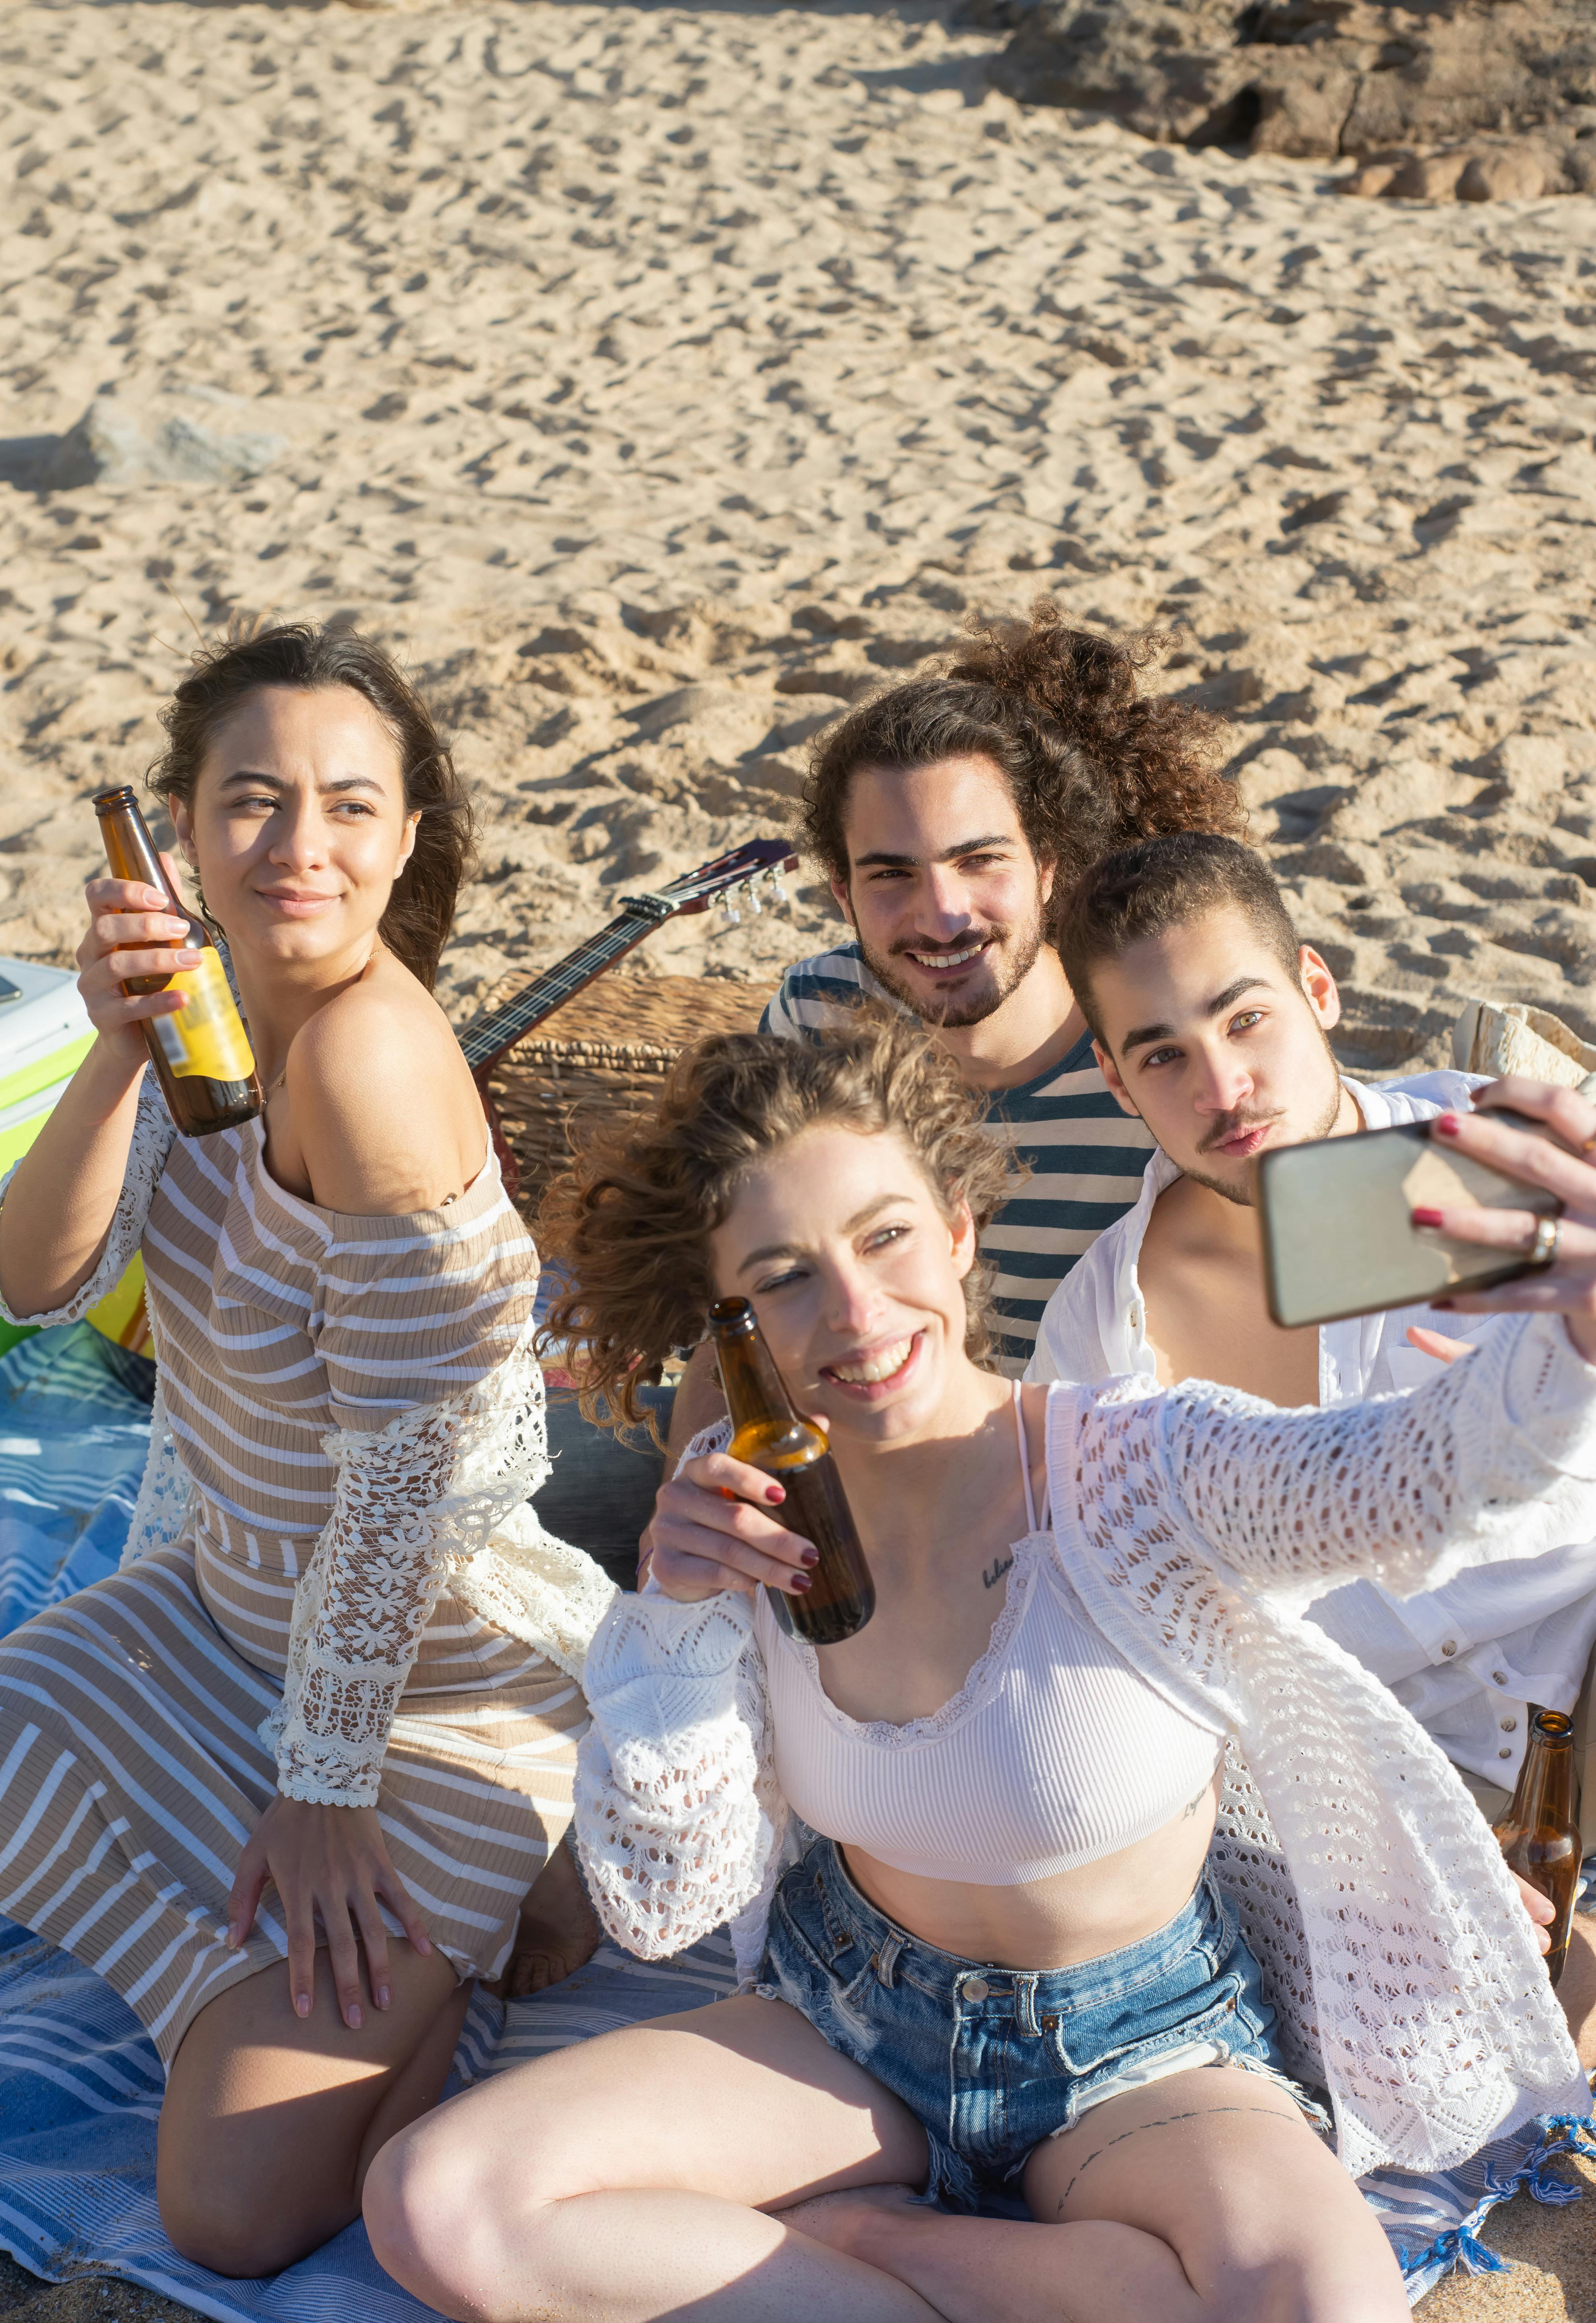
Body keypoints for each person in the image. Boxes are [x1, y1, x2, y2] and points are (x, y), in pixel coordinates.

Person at [364, 1012, 1596, 2323]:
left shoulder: (1138, 1468)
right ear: (729, 1317)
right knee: (438, 2203)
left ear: (956, 1230)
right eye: (782, 1275)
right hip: (849, 2017)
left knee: (1325, 2300)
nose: (853, 1308)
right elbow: (668, 1899)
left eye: (883, 1235)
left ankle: (894, 2248)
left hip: (1143, 2045)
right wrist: (666, 1619)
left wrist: (1574, 1332)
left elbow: (1419, 1478)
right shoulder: (744, 1512)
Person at [0, 625, 616, 2277]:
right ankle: (249, 1981)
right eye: (254, 801)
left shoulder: (366, 1054)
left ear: (407, 838)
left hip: (430, 1676)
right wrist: (111, 1046)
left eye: (349, 805)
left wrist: (325, 1788)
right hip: (221, 1618)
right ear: (185, 828)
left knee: (230, 2210)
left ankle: (435, 1924)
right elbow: (38, 1279)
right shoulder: (205, 1033)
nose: (300, 845)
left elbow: (409, 1475)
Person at [1031, 832, 1596, 2046]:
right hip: (1350, 1778)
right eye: (1163, 1055)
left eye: (1245, 1021)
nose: (1220, 1087)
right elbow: (1107, 1624)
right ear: (1118, 1084)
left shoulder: (1488, 1169)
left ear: (1319, 993)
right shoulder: (1107, 1318)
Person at [662, 601, 1245, 1458]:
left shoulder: (1154, 1044)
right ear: (842, 895)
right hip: (877, 1468)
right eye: (891, 874)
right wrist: (689, 1489)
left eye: (979, 860)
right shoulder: (819, 1013)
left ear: (1049, 868)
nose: (941, 915)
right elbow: (737, 1328)